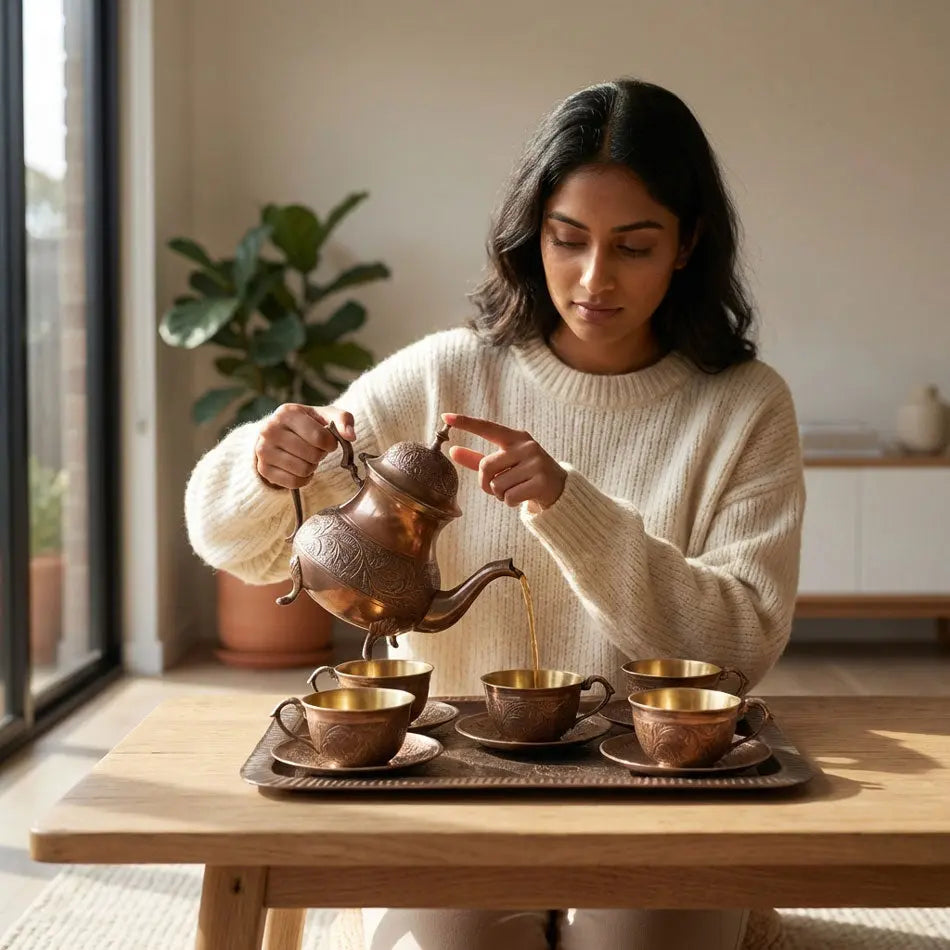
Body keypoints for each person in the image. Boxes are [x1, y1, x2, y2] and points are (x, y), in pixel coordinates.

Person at [185, 77, 804, 950]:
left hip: (663, 789)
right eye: (567, 239)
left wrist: (569, 504)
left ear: (687, 244)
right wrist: (266, 463)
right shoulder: (447, 375)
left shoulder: (744, 406)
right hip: (446, 783)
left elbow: (742, 646)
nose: (594, 278)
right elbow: (231, 542)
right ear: (531, 235)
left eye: (633, 246)